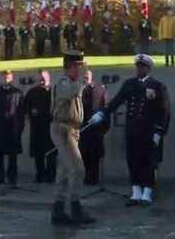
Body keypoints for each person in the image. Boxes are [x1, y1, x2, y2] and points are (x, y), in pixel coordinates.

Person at [90, 54, 170, 206]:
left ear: (148, 68)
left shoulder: (158, 86)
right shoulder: (129, 84)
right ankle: (136, 191)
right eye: (137, 66)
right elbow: (117, 101)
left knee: (148, 161)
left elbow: (164, 111)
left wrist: (159, 132)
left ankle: (147, 192)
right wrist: (103, 113)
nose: (139, 69)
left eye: (142, 66)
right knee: (133, 160)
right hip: (133, 129)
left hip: (149, 130)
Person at [49, 51, 95, 226]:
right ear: (69, 66)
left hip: (72, 130)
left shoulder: (72, 82)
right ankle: (75, 208)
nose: (80, 70)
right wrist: (85, 81)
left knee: (63, 172)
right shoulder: (64, 83)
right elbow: (72, 92)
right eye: (78, 66)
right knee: (77, 169)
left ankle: (58, 210)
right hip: (63, 129)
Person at [0, 70, 25, 186]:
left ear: (12, 78)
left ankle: (12, 177)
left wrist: (21, 127)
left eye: (8, 77)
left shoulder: (18, 93)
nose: (6, 79)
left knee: (12, 155)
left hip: (13, 128)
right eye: (4, 77)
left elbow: (21, 112)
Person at [22, 70, 56, 183]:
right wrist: (31, 111)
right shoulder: (32, 92)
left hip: (51, 126)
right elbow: (25, 106)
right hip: (36, 127)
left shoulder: (54, 91)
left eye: (44, 78)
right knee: (38, 153)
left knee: (51, 153)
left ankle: (51, 176)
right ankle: (39, 175)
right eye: (40, 78)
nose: (42, 80)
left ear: (49, 78)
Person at [79, 69, 109, 185]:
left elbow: (106, 108)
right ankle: (86, 177)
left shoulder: (100, 89)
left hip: (96, 129)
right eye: (84, 76)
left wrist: (104, 127)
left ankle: (94, 178)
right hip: (83, 128)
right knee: (84, 154)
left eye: (87, 76)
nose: (85, 78)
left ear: (91, 77)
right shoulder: (78, 90)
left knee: (95, 155)